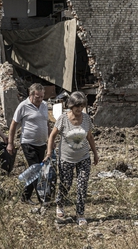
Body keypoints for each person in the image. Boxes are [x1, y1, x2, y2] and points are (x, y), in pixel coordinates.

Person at [45, 91, 98, 227]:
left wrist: (95, 154)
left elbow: (90, 137)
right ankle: (60, 204)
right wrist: (49, 152)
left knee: (82, 186)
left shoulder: (86, 118)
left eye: (81, 106)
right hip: (66, 158)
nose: (79, 109)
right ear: (70, 106)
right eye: (76, 107)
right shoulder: (63, 119)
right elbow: (52, 136)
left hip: (84, 157)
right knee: (66, 184)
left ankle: (80, 214)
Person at [7, 83, 49, 204]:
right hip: (28, 143)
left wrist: (50, 140)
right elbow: (13, 125)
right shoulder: (23, 106)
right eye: (37, 97)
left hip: (42, 143)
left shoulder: (44, 105)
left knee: (34, 170)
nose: (40, 99)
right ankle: (42, 199)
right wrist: (10, 143)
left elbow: (47, 124)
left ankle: (25, 196)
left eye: (42, 96)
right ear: (31, 95)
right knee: (36, 169)